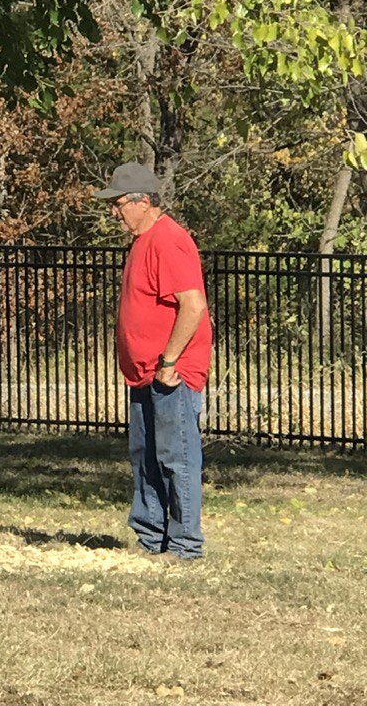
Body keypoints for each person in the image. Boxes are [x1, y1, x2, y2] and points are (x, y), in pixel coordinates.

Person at [94, 163, 212, 561]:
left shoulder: (168, 240)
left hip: (170, 375)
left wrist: (168, 361)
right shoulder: (142, 241)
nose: (114, 211)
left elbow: (192, 305)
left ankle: (183, 546)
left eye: (119, 203)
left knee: (175, 458)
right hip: (144, 373)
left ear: (143, 202)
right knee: (145, 459)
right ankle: (151, 538)